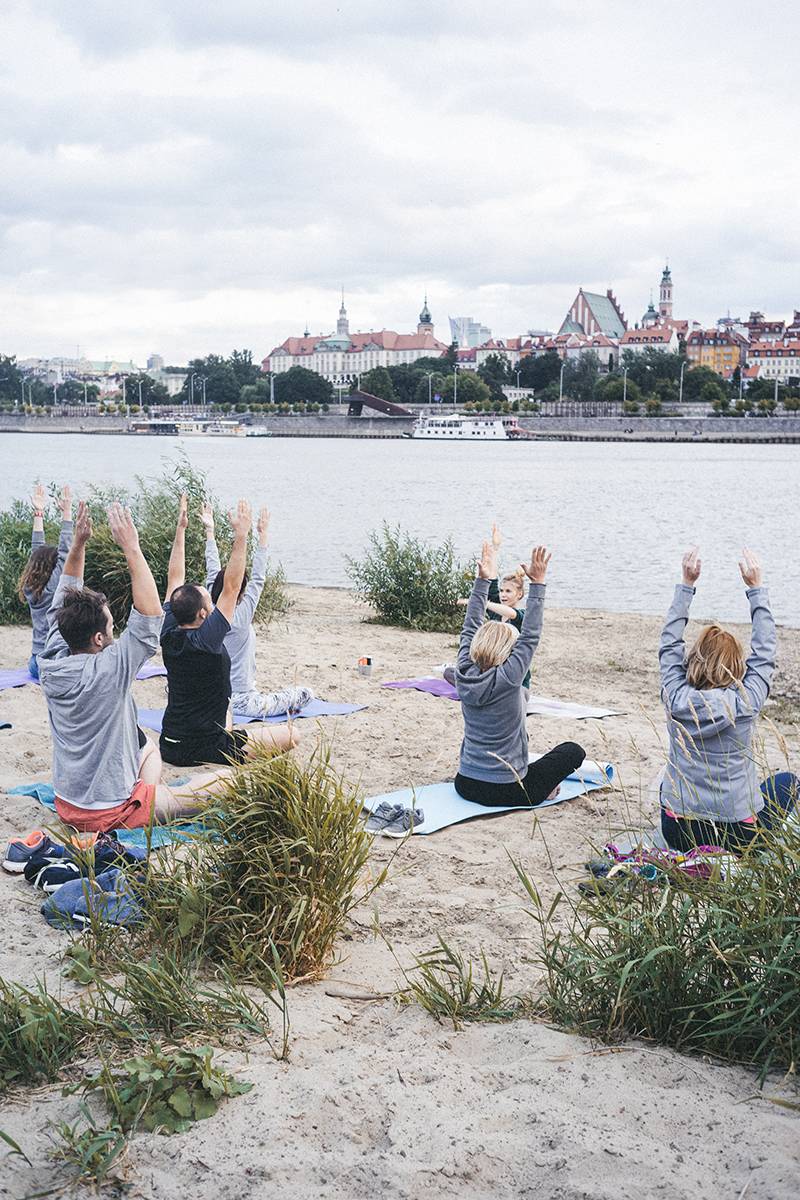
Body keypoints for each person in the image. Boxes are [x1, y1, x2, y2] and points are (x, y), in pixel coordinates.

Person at [39, 500, 224, 833]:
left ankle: (145, 795)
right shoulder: (111, 669)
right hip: (107, 813)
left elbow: (67, 588)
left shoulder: (51, 658)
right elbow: (151, 615)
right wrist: (131, 548)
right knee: (222, 783)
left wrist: (79, 544)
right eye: (111, 626)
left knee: (147, 748)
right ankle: (141, 805)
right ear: (98, 639)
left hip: (67, 803)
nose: (115, 630)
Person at [658, 546, 798, 853]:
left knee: (665, 780)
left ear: (692, 661)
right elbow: (765, 654)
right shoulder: (746, 701)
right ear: (737, 667)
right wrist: (756, 589)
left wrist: (687, 584)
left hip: (679, 833)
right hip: (739, 837)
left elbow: (669, 646)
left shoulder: (674, 696)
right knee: (790, 782)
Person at [159, 495, 298, 767]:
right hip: (206, 746)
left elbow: (174, 577)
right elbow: (232, 587)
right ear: (202, 614)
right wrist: (242, 535)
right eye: (209, 601)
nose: (214, 600)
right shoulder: (207, 640)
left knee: (228, 717)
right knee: (292, 735)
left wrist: (181, 530)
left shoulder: (169, 631)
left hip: (170, 745)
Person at [453, 538, 584, 807]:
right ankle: (546, 789)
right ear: (508, 652)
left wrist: (482, 581)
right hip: (509, 789)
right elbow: (531, 634)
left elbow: (469, 627)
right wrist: (538, 583)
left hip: (465, 784)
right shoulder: (509, 678)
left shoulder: (463, 671)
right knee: (573, 751)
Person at [200, 500, 314, 717]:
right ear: (241, 591)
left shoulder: (208, 609)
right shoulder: (242, 614)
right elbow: (258, 577)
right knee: (306, 694)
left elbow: (212, 569)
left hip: (211, 698)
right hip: (241, 701)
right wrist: (262, 534)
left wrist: (210, 530)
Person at [18, 483, 73, 679]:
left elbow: (36, 551)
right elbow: (66, 551)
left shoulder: (31, 587)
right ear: (53, 567)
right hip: (54, 661)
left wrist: (38, 512)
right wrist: (67, 512)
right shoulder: (53, 589)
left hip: (34, 662)